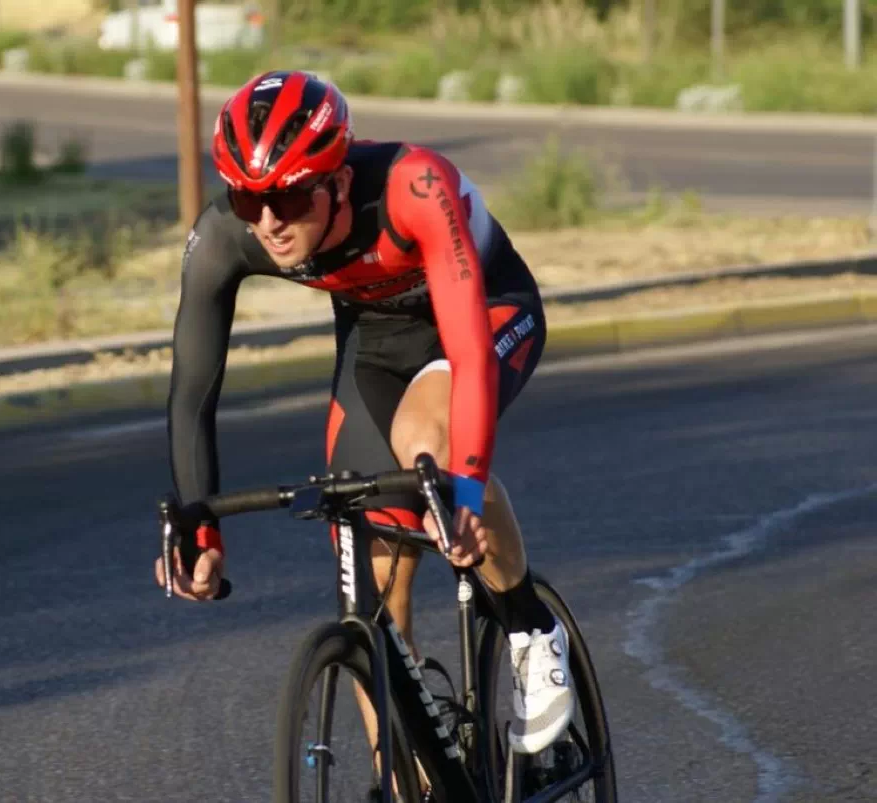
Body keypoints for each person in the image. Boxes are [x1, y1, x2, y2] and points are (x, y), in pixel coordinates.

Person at [152, 70, 573, 756]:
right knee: (372, 582)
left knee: (423, 441)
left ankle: (530, 625)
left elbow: (466, 352)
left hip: (485, 314)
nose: (267, 220)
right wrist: (197, 524)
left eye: (287, 196)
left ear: (338, 182)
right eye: (247, 196)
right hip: (378, 346)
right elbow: (193, 385)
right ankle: (408, 777)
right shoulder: (232, 233)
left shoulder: (414, 186)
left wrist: (463, 490)